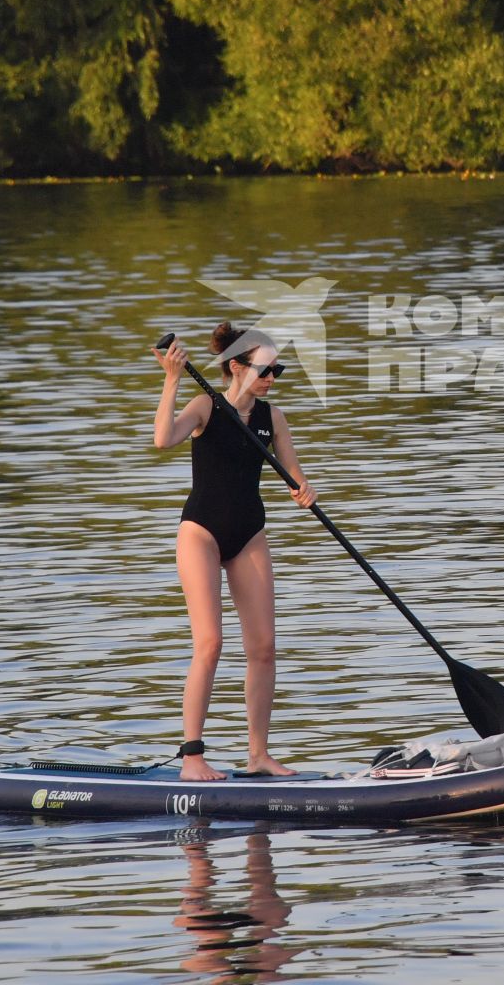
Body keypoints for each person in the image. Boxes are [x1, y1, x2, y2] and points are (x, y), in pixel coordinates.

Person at [153, 323, 317, 781]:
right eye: (265, 370)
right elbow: (163, 439)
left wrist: (304, 491)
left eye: (277, 370)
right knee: (210, 643)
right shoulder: (205, 405)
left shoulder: (272, 417)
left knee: (264, 648)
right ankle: (191, 758)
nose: (272, 378)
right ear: (236, 367)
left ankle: (258, 756)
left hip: (249, 533)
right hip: (201, 532)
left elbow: (296, 477)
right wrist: (171, 378)